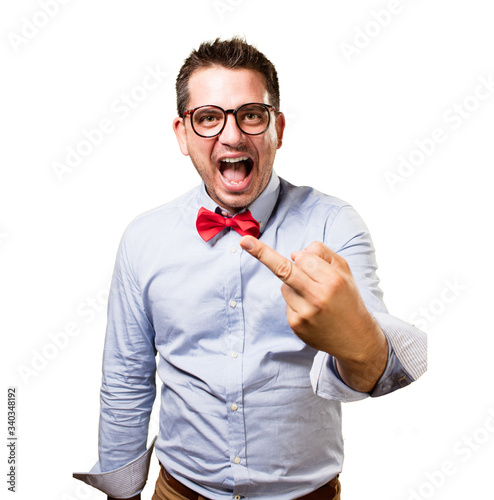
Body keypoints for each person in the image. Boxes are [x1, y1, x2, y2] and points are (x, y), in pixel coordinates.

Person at [73, 37, 427, 500]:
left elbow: (380, 368)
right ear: (182, 134)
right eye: (208, 118)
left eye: (251, 115)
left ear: (277, 127)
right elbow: (126, 376)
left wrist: (355, 336)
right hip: (179, 492)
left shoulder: (333, 224)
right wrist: (121, 492)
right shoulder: (143, 239)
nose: (233, 136)